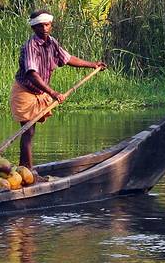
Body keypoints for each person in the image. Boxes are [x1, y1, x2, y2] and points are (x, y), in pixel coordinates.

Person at [11, 10, 104, 172]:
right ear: (34, 28)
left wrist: (92, 64)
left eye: (47, 25)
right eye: (40, 26)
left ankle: (24, 169)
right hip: (24, 92)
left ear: (51, 25)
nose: (44, 28)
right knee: (28, 131)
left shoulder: (52, 42)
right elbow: (32, 75)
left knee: (30, 132)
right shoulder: (30, 47)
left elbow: (67, 59)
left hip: (39, 92)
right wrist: (53, 93)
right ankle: (27, 170)